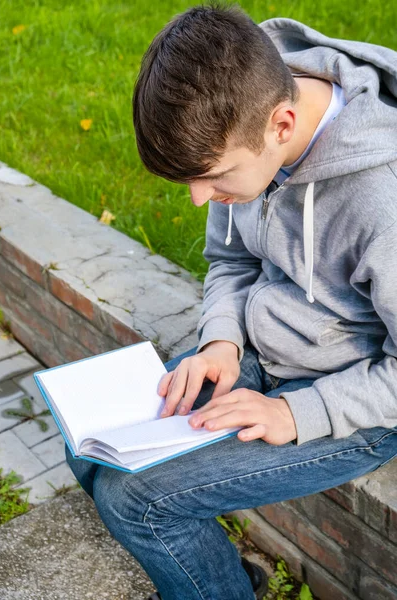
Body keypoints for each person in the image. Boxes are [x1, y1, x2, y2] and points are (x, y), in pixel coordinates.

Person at [66, 4, 397, 599]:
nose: (200, 200)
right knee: (89, 448)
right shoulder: (243, 110)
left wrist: (294, 415)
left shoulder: (383, 201)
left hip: (359, 399)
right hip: (265, 350)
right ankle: (215, 579)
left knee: (140, 502)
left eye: (214, 177)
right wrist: (221, 339)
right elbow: (232, 260)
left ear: (282, 124)